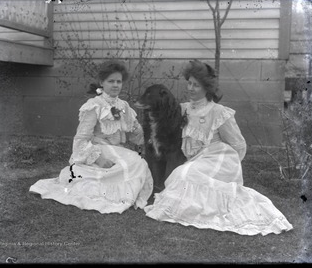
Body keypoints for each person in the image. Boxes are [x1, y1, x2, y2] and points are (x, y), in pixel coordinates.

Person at [144, 60, 293, 235]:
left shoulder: (219, 112)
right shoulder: (182, 109)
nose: (190, 88)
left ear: (206, 88)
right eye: (189, 83)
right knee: (181, 175)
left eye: (196, 85)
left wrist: (229, 170)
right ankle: (196, 208)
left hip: (219, 158)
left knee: (185, 174)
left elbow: (238, 145)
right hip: (195, 161)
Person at [30, 60, 153, 214]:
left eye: (119, 81)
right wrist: (98, 158)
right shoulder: (94, 105)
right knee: (131, 163)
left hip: (117, 150)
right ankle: (112, 192)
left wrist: (145, 136)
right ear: (102, 82)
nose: (115, 85)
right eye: (111, 81)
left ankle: (120, 189)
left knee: (139, 162)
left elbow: (136, 132)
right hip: (100, 149)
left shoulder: (123, 106)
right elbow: (81, 138)